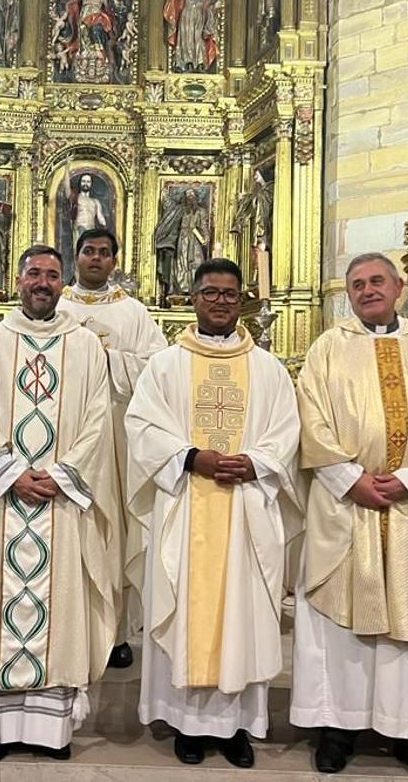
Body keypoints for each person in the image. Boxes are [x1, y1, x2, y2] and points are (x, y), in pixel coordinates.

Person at [291, 252, 408, 782]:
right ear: (348, 294)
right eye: (357, 284)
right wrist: (351, 479)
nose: (367, 291)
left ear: (398, 286)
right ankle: (336, 730)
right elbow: (310, 418)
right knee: (340, 630)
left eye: (376, 282)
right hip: (345, 503)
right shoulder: (327, 348)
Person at [125, 258, 301, 767]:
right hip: (184, 502)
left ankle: (235, 727)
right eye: (210, 292)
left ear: (240, 299)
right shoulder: (165, 364)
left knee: (241, 611)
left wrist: (257, 462)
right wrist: (188, 457)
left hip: (245, 507)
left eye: (229, 293)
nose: (220, 301)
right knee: (184, 607)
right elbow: (142, 426)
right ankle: (186, 723)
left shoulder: (267, 368)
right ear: (194, 298)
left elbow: (286, 430)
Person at [0, 244, 118, 761]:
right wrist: (11, 472)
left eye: (53, 275)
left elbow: (99, 419)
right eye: (34, 273)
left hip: (61, 500)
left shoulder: (86, 345)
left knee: (59, 608)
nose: (43, 283)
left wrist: (58, 474)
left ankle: (51, 731)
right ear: (19, 278)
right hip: (6, 500)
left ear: (63, 282)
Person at [59, 228, 167, 668]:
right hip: (68, 434)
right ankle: (71, 619)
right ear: (77, 256)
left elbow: (156, 368)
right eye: (89, 251)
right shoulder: (56, 306)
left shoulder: (134, 312)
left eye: (105, 253)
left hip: (118, 435)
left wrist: (104, 357)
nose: (96, 259)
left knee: (117, 527)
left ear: (115, 260)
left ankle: (118, 630)